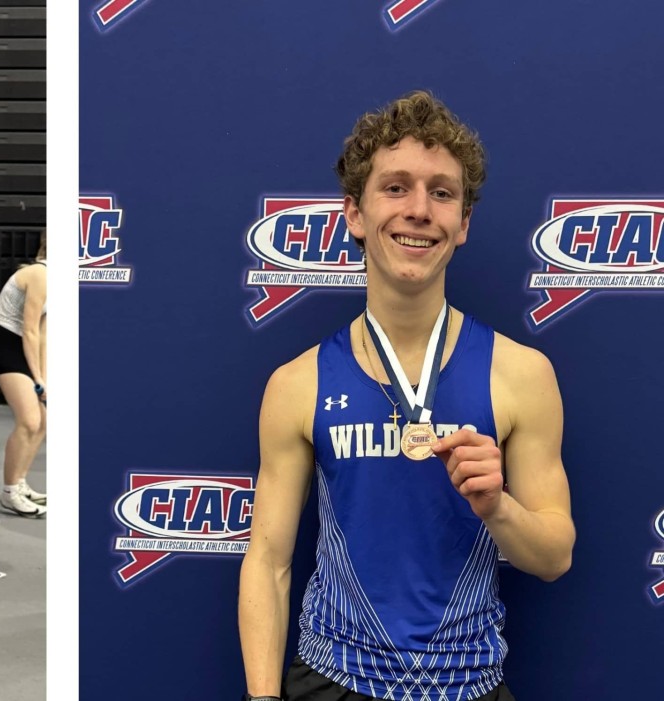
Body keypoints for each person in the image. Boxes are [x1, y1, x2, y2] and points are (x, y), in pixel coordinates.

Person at [237, 91, 575, 701]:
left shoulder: (522, 374)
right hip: (333, 679)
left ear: (463, 223)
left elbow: (554, 556)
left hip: (468, 683)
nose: (419, 210)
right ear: (355, 215)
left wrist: (498, 506)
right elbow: (268, 559)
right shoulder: (297, 383)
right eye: (395, 187)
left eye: (442, 193)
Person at [0, 235, 47, 518]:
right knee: (29, 419)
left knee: (44, 420)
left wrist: (45, 381)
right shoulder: (39, 273)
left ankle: (20, 482)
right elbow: (31, 330)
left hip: (25, 347)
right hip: (6, 344)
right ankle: (9, 492)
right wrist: (37, 378)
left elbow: (44, 335)